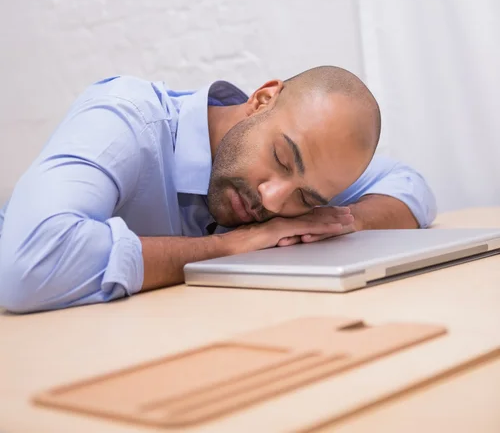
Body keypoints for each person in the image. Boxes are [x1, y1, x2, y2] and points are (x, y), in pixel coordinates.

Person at [0, 66, 436, 313]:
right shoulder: (127, 119)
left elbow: (410, 185)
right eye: (283, 159)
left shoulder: (307, 171)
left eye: (305, 198)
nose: (272, 200)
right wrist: (231, 247)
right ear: (262, 99)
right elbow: (28, 268)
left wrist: (338, 222)